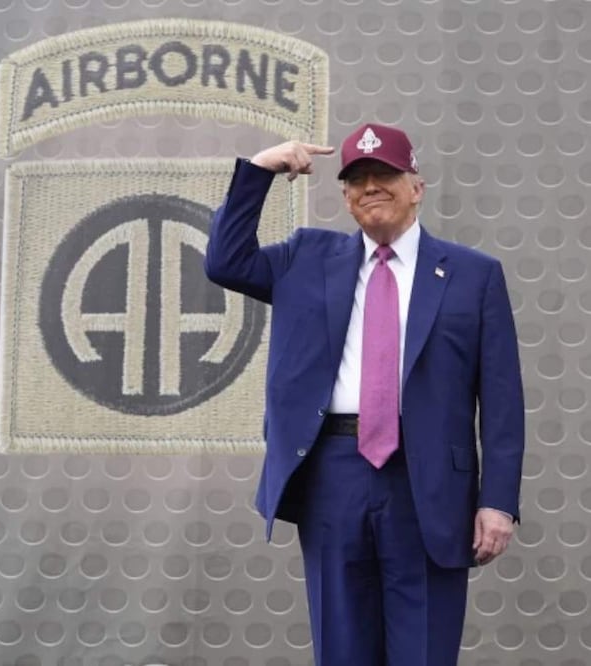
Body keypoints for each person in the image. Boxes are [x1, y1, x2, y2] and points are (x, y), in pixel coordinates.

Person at [204, 123, 525, 666]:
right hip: (333, 473)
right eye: (357, 179)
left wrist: (497, 501)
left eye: (385, 175)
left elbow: (502, 400)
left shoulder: (474, 275)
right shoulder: (306, 258)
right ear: (346, 197)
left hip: (426, 484)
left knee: (422, 651)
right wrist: (261, 169)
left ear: (416, 187)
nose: (371, 186)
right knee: (343, 648)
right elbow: (225, 262)